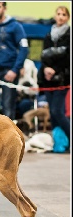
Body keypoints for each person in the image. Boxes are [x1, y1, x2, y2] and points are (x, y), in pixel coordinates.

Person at [37, 5, 70, 148]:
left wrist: (54, 70)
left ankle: (70, 138)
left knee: (58, 111)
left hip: (62, 78)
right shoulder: (48, 35)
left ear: (67, 17)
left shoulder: (69, 35)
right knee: (52, 112)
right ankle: (59, 143)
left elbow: (68, 57)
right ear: (55, 16)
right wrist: (46, 69)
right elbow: (43, 55)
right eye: (58, 14)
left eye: (64, 14)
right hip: (48, 79)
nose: (61, 16)